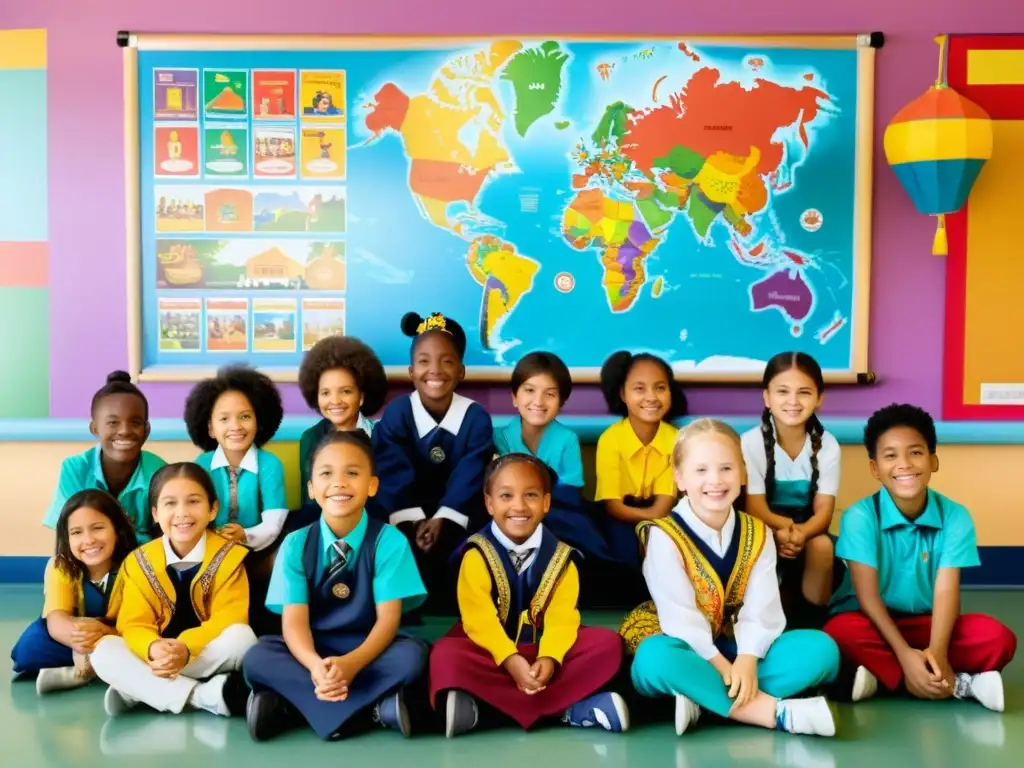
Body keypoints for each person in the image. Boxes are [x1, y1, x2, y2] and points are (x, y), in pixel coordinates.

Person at [624, 419, 839, 737]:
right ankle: (772, 712)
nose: (715, 480)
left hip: (739, 648)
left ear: (742, 473)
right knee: (654, 660)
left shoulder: (759, 532)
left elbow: (761, 610)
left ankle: (700, 700)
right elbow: (679, 618)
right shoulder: (663, 536)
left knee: (822, 651)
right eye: (701, 471)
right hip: (683, 646)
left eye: (726, 468)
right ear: (680, 478)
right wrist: (724, 667)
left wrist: (748, 660)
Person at [824, 403, 1017, 710]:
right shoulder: (861, 516)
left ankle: (885, 678)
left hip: (931, 623)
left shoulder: (955, 516)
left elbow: (946, 590)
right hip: (877, 624)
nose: (904, 464)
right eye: (890, 455)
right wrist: (904, 654)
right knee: (838, 634)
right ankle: (957, 685)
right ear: (875, 468)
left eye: (915, 452)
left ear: (933, 460)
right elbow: (867, 597)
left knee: (997, 638)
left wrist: (938, 652)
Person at [242, 431, 428, 741]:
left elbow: (388, 622)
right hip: (311, 650)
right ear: (311, 489)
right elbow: (294, 623)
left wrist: (351, 664)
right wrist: (316, 666)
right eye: (326, 474)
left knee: (412, 656)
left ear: (372, 485)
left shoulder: (389, 541)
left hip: (371, 650)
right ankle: (375, 710)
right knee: (256, 658)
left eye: (352, 473)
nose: (339, 482)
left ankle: (291, 707)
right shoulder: (295, 544)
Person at [429, 453, 628, 737]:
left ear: (546, 503)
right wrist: (510, 659)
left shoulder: (563, 558)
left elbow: (562, 620)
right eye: (506, 496)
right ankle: (568, 708)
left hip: (545, 652)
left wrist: (549, 658)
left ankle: (485, 710)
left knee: (607, 644)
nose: (519, 506)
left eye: (531, 495)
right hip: (492, 653)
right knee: (445, 655)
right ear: (489, 503)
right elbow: (478, 620)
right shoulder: (476, 554)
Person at [89, 463, 256, 718]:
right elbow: (134, 624)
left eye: (193, 502)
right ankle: (204, 697)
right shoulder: (140, 561)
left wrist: (185, 648)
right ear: (155, 513)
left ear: (213, 510)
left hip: (202, 652)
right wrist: (154, 647)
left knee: (242, 638)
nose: (182, 513)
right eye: (170, 504)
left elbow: (230, 617)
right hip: (156, 654)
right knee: (102, 651)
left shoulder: (229, 557)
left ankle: (137, 690)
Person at [370, 311, 494, 611]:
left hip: (458, 515)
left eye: (447, 361)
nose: (435, 370)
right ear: (411, 371)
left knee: (477, 548)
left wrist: (443, 518)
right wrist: (414, 520)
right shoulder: (398, 414)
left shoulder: (476, 417)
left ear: (462, 371)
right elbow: (391, 470)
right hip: (404, 515)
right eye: (424, 361)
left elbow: (471, 472)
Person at [741, 352, 841, 627]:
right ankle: (763, 623)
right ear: (767, 397)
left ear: (819, 398)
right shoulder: (750, 443)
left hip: (806, 530)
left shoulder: (828, 445)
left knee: (821, 546)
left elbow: (824, 511)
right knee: (759, 547)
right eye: (782, 391)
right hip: (764, 527)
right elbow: (755, 507)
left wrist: (800, 534)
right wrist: (783, 529)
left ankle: (811, 624)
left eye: (804, 392)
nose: (793, 401)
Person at [12, 490, 137, 694]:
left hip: (122, 633)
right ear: (66, 537)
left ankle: (86, 670)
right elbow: (57, 619)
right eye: (77, 532)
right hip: (76, 637)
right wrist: (79, 642)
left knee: (149, 645)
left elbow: (139, 622)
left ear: (117, 530)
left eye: (97, 528)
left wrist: (105, 632)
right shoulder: (60, 566)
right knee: (29, 648)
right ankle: (99, 665)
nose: (88, 540)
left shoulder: (137, 565)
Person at [494, 352, 610, 561]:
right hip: (511, 515)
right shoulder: (498, 437)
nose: (538, 401)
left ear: (562, 402)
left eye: (550, 394)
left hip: (558, 514)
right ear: (514, 397)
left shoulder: (567, 439)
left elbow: (571, 494)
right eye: (529, 390)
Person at [43, 371, 166, 541]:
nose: (124, 431)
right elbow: (71, 533)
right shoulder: (75, 469)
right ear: (95, 428)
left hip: (141, 563)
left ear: (146, 430)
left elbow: (165, 538)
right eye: (113, 423)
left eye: (135, 423)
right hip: (88, 562)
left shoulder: (160, 472)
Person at [594, 351, 687, 571]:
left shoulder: (676, 439)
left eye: (660, 388)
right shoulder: (610, 439)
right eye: (639, 388)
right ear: (623, 394)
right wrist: (646, 520)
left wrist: (651, 522)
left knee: (666, 550)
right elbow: (612, 505)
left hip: (663, 515)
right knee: (620, 556)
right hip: (619, 515)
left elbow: (663, 506)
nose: (651, 397)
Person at [184, 364, 288, 555]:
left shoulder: (270, 464)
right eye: (224, 419)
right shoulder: (202, 464)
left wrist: (245, 535)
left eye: (245, 417)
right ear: (210, 428)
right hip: (210, 550)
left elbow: (274, 523)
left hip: (259, 551)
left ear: (259, 421)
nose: (236, 426)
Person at [296, 335, 388, 506]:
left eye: (345, 391)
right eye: (325, 393)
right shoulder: (310, 438)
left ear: (361, 396)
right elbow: (309, 501)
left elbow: (388, 494)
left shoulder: (381, 435)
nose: (335, 401)